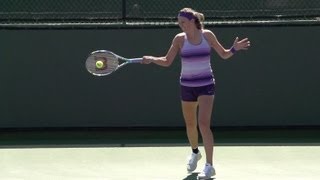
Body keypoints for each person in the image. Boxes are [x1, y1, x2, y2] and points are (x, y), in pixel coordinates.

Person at [142, 7, 250, 179]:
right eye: (179, 23)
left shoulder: (207, 35)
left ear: (193, 21)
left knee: (203, 124)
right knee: (191, 125)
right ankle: (195, 152)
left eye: (183, 22)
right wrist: (152, 59)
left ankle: (209, 166)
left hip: (206, 85)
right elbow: (167, 61)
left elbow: (224, 54)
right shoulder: (179, 39)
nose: (181, 26)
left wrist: (234, 48)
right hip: (187, 86)